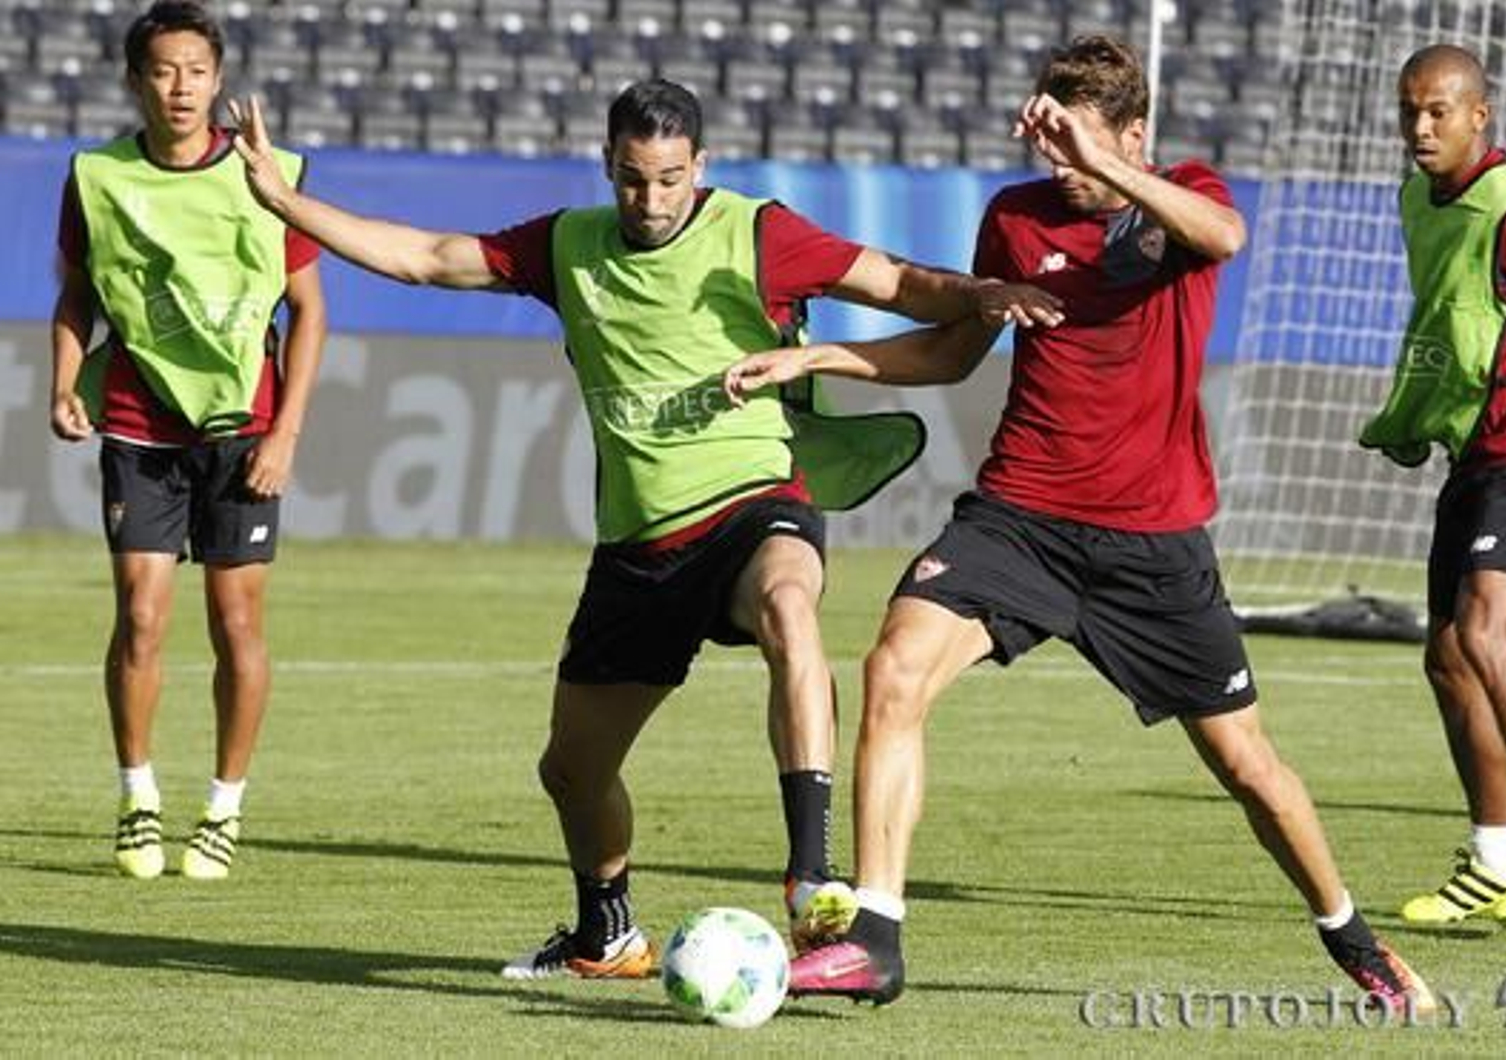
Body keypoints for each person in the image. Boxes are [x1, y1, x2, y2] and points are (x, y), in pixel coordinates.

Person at [226, 79, 1059, 978]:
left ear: (699, 166)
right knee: (572, 774)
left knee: (791, 603)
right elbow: (429, 255)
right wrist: (284, 202)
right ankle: (606, 934)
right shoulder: (566, 246)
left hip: (755, 497)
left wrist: (979, 295)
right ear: (608, 168)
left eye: (669, 179)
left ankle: (813, 878)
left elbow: (896, 282)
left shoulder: (757, 231)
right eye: (632, 180)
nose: (652, 201)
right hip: (640, 545)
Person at [724, 35, 1435, 1012]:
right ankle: (875, 938)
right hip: (1019, 518)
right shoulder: (1014, 219)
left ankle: (1352, 938)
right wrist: (815, 362)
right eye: (1048, 142)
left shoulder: (1180, 196)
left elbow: (1225, 237)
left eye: (1074, 144)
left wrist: (1105, 164)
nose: (1056, 164)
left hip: (1152, 542)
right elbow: (947, 354)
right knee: (893, 668)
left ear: (1131, 136)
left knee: (1246, 764)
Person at [49, 0, 327, 881]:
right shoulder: (95, 175)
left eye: (196, 71)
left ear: (218, 78)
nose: (181, 87)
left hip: (243, 433)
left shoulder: (267, 172)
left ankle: (222, 809)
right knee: (138, 617)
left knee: (236, 624)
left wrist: (285, 433)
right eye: (163, 70)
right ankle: (137, 796)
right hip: (138, 427)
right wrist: (62, 382)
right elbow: (77, 297)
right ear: (136, 80)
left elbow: (310, 312)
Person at [1361, 45, 1506, 924]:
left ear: (1479, 117)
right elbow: (1452, 319)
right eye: (1409, 111)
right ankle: (1493, 854)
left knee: (1485, 631)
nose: (1420, 128)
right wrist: (1416, 413)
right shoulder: (1417, 196)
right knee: (1447, 658)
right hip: (1479, 456)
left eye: (1438, 112)